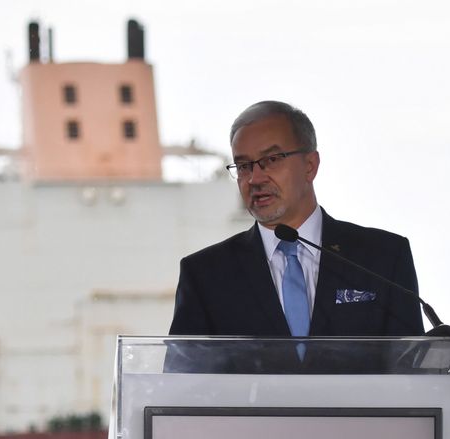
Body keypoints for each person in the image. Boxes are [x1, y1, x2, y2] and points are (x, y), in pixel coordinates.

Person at [166, 101, 423, 372]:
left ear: (310, 165)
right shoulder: (206, 275)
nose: (254, 179)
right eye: (243, 166)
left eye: (271, 160)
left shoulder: (383, 257)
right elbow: (181, 386)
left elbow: (413, 377)